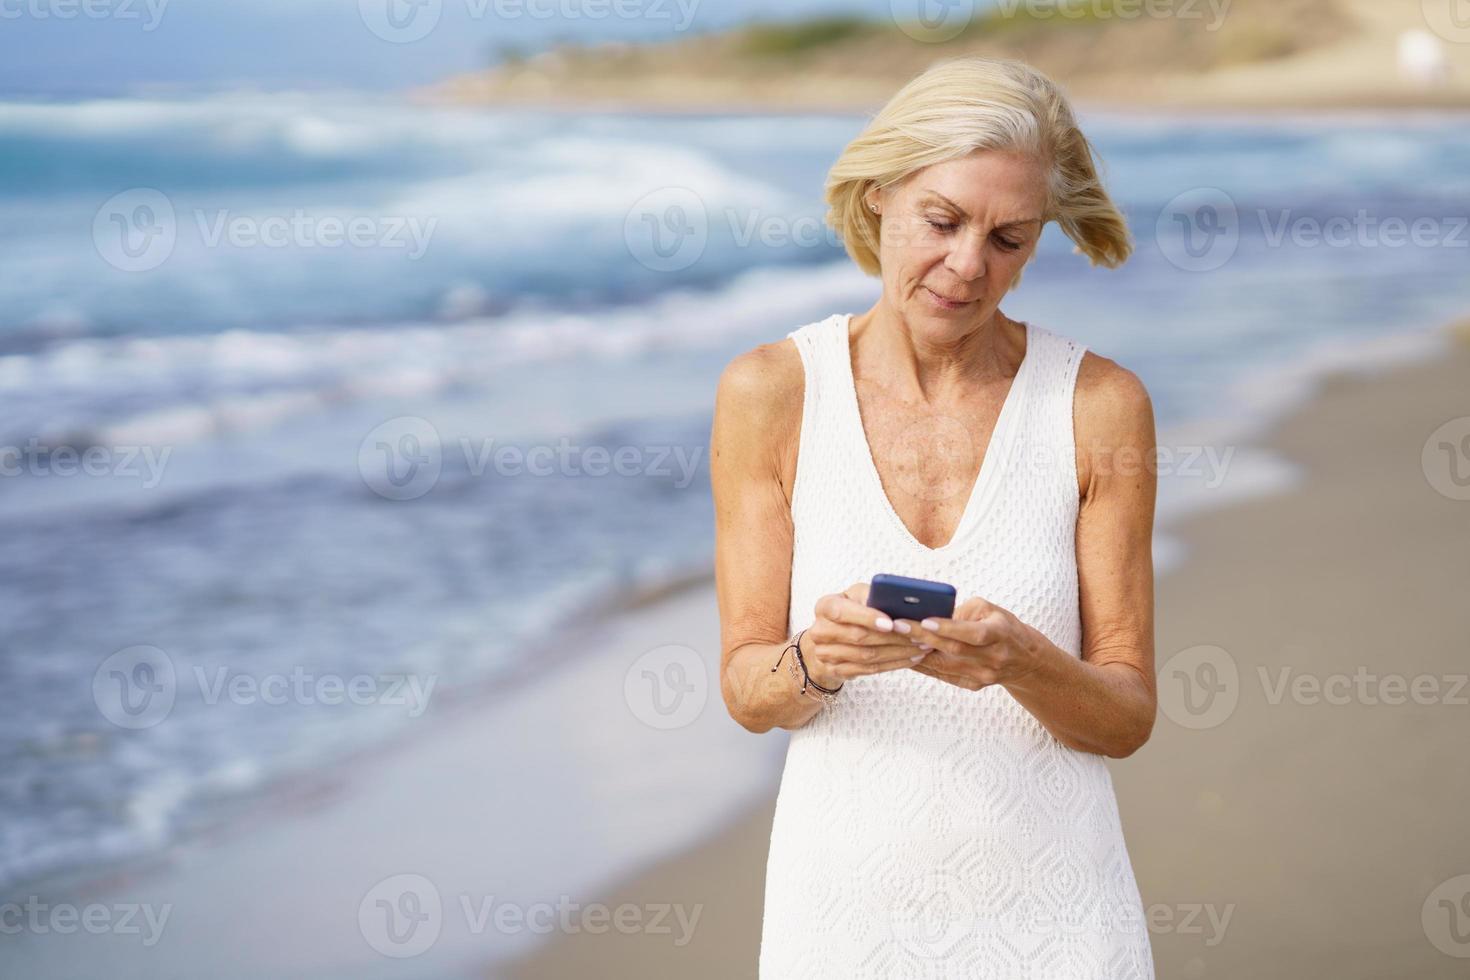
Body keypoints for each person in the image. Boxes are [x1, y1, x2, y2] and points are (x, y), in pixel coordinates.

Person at [710, 56, 1158, 978]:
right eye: (943, 221)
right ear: (880, 196)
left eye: (1008, 239)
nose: (967, 266)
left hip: (1061, 921)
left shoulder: (1100, 404)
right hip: (841, 921)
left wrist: (1021, 661)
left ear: (1037, 243)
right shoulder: (772, 393)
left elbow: (1124, 718)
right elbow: (751, 693)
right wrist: (816, 660)